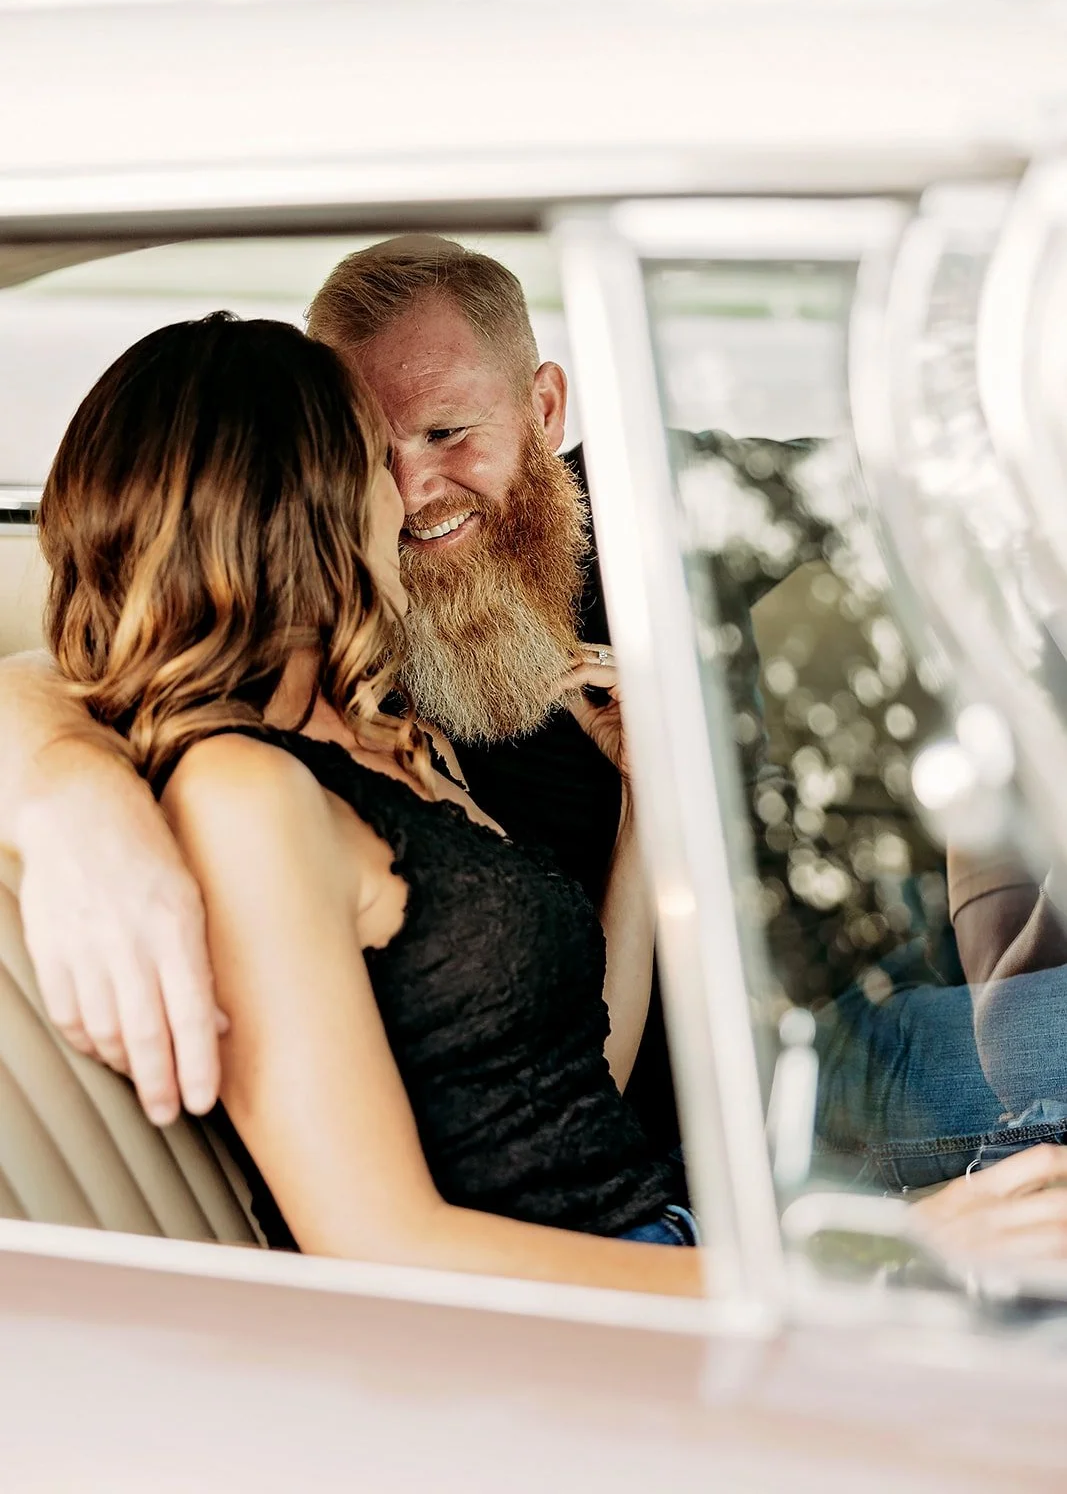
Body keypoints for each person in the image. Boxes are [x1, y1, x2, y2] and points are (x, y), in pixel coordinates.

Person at [1, 234, 1066, 1190]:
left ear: (544, 409)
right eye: (372, 454)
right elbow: (98, 662)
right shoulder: (330, 635)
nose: (414, 488)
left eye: (448, 431)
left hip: (813, 1014)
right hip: (681, 1125)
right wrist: (62, 793)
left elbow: (938, 499)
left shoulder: (663, 501)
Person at [30, 310, 700, 1290]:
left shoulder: (385, 733)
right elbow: (379, 1242)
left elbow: (574, 1068)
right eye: (375, 458)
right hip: (586, 1319)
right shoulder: (243, 794)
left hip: (662, 1234)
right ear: (310, 503)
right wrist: (791, 1287)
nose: (406, 495)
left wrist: (643, 808)